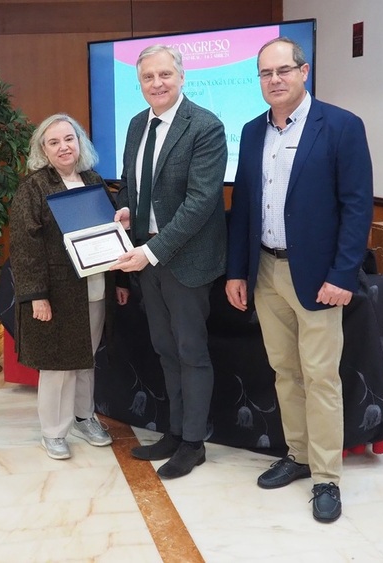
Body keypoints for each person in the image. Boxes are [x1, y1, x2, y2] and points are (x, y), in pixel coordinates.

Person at [225, 37, 374, 523]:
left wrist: (343, 275)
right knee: (284, 371)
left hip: (317, 278)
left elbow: (357, 208)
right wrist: (237, 271)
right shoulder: (251, 132)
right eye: (266, 74)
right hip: (265, 270)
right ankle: (299, 454)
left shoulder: (341, 127)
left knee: (320, 377)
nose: (275, 80)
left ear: (304, 71)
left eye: (283, 71)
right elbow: (243, 207)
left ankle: (327, 477)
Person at [110, 45, 228, 479]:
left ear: (181, 77)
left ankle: (194, 443)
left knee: (191, 352)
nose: (157, 84)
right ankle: (176, 433)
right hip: (146, 255)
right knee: (164, 349)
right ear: (139, 83)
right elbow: (131, 185)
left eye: (165, 75)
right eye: (148, 78)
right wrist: (126, 210)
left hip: (185, 260)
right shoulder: (137, 124)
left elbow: (200, 204)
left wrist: (152, 251)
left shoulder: (206, 126)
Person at [9, 114, 129, 460]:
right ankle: (54, 431)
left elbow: (114, 235)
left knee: (85, 359)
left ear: (80, 143)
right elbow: (24, 248)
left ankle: (83, 416)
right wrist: (36, 297)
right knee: (57, 364)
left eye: (69, 139)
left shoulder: (93, 180)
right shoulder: (33, 189)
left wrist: (119, 280)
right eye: (54, 142)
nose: (64, 147)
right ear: (43, 151)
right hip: (58, 293)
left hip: (94, 289)